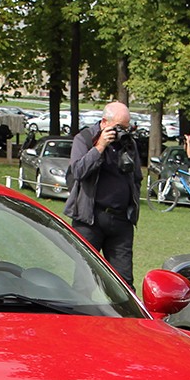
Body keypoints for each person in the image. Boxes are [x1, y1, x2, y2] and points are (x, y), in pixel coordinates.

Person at [65, 100, 142, 284]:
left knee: (124, 281)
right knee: (83, 278)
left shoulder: (128, 143)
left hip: (121, 220)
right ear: (104, 122)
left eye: (126, 127)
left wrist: (131, 206)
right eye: (119, 127)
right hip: (90, 219)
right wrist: (99, 147)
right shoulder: (84, 138)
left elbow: (137, 177)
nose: (122, 131)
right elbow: (78, 172)